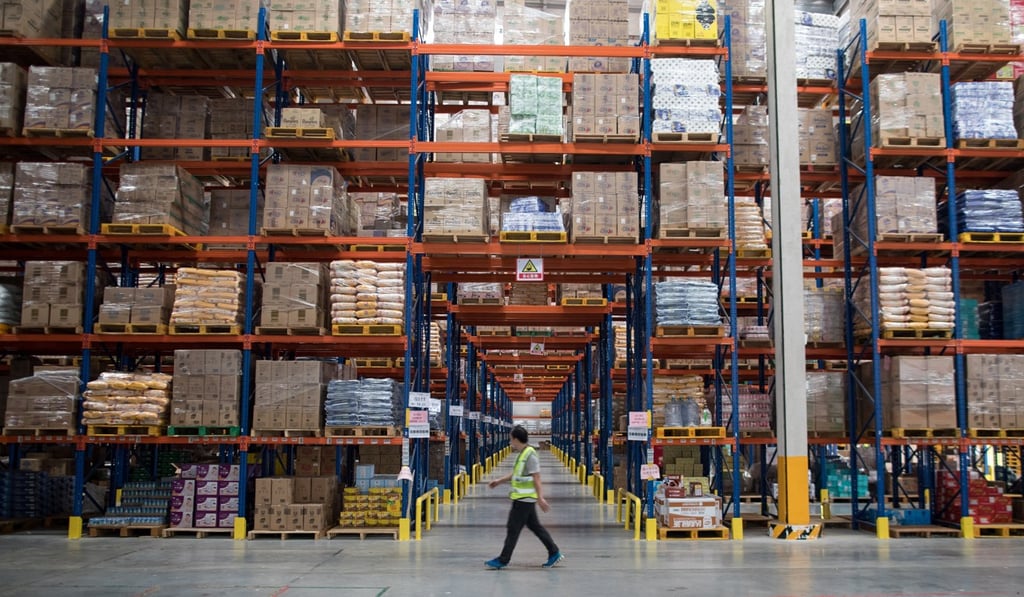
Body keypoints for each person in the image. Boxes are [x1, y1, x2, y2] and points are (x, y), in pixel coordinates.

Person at [485, 425, 563, 569]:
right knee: (535, 527)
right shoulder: (523, 454)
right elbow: (516, 474)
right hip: (522, 498)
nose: (510, 442)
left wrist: (540, 498)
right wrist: (499, 481)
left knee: (513, 529)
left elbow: (536, 477)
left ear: (516, 439)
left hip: (524, 499)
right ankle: (554, 552)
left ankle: (503, 559)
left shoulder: (530, 455)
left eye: (511, 439)